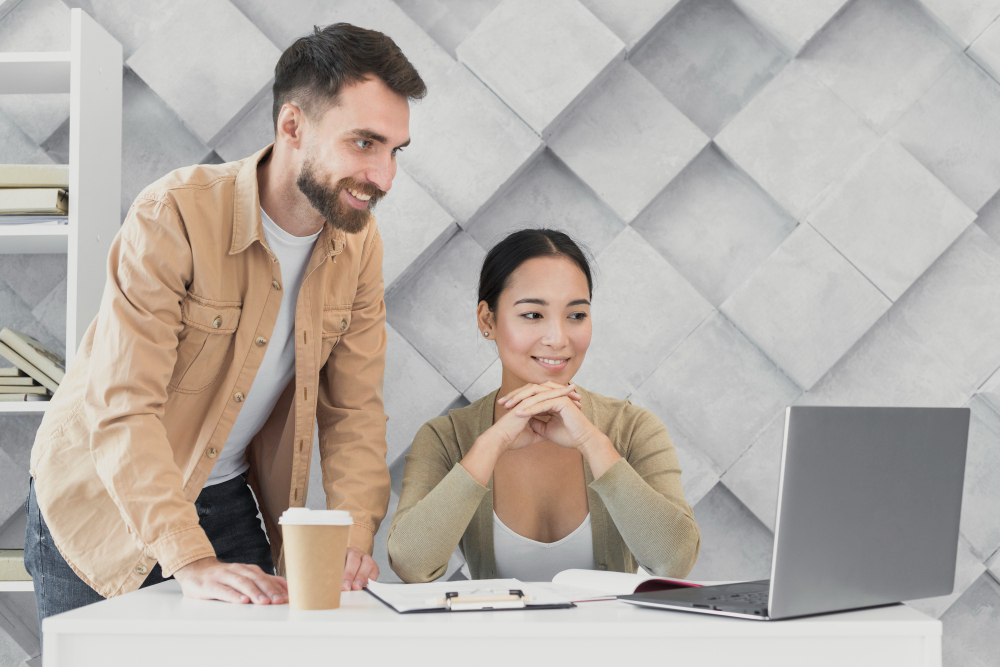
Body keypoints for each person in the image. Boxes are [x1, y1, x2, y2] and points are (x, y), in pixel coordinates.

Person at [24, 22, 426, 626]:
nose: (385, 176)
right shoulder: (175, 214)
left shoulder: (359, 244)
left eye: (395, 150)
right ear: (292, 126)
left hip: (226, 498)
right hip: (103, 502)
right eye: (365, 143)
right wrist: (189, 559)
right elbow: (124, 405)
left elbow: (355, 412)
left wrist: (353, 531)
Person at [386, 229, 701, 583]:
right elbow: (410, 564)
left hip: (610, 640)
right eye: (533, 315)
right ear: (487, 320)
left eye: (576, 315)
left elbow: (675, 562)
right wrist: (489, 445)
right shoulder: (446, 438)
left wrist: (594, 444)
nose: (558, 339)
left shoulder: (633, 428)